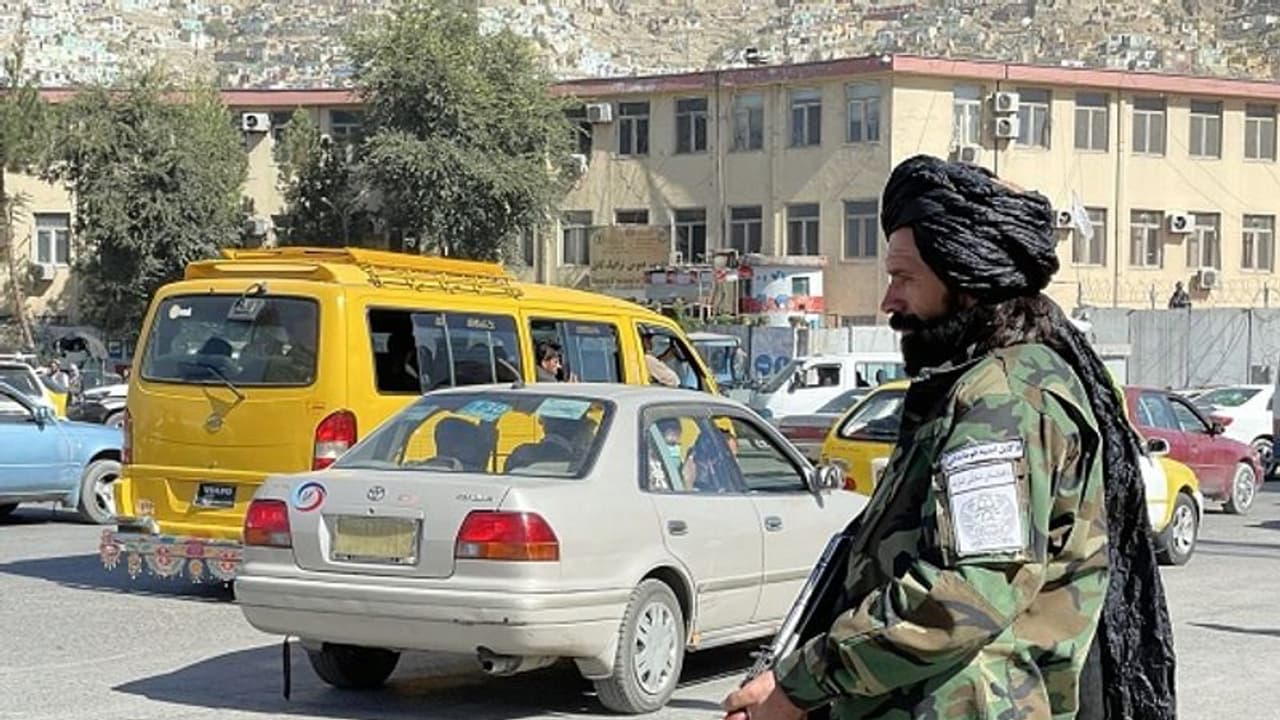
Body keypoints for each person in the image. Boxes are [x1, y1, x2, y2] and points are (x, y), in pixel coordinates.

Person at [723, 155, 1175, 720]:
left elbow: (969, 591)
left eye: (904, 277)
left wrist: (802, 683)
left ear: (965, 282)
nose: (889, 301)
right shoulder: (981, 385)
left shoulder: (1004, 400)